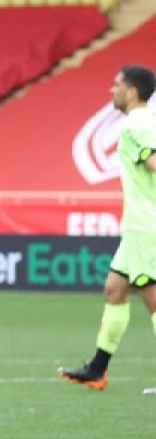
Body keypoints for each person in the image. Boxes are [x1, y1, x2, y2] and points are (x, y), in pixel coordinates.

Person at [59, 65, 156, 392]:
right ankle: (97, 369)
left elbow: (154, 160)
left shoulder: (137, 123)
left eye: (116, 85)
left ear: (131, 92)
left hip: (147, 226)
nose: (110, 90)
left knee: (153, 299)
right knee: (115, 288)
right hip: (137, 226)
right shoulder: (142, 121)